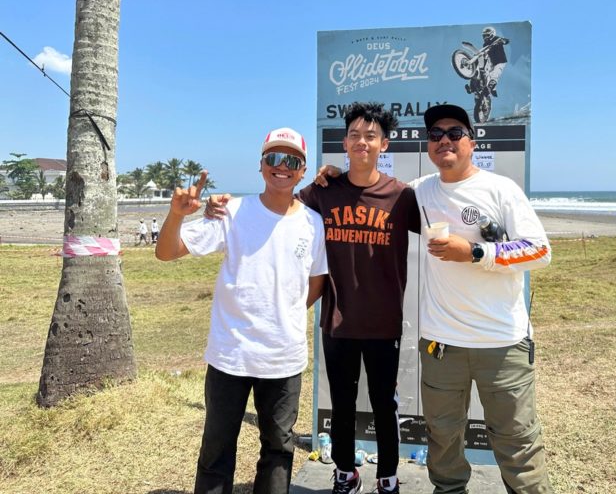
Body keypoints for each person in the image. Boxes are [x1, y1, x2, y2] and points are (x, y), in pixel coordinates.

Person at [205, 103, 420, 494]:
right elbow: (279, 203)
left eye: (371, 136)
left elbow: (440, 228)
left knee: (384, 404)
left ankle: (388, 477)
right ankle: (345, 473)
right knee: (341, 404)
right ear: (344, 143)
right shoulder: (322, 191)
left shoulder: (402, 196)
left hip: (384, 321)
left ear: (384, 144)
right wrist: (216, 207)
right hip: (337, 321)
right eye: (354, 135)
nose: (362, 142)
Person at [155, 127, 328, 494]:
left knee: (279, 449)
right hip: (230, 354)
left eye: (291, 160)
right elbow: (167, 252)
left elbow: (316, 282)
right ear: (261, 165)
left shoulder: (313, 224)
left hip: (283, 357)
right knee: (217, 449)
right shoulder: (232, 212)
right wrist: (175, 215)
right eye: (273, 158)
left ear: (302, 171)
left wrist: (285, 313)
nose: (282, 166)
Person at [412, 103, 553, 494]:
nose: (444, 140)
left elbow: (540, 251)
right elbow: (371, 191)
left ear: (472, 143)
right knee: (442, 441)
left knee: (518, 444)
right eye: (435, 134)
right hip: (441, 344)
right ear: (429, 145)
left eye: (454, 132)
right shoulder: (419, 191)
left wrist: (475, 253)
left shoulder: (501, 189)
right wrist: (331, 175)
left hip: (502, 343)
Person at [480, 26, 509, 97]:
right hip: (492, 62)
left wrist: (503, 41)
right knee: (487, 73)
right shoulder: (485, 44)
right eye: (484, 36)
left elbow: (506, 41)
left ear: (492, 34)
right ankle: (489, 88)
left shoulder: (496, 39)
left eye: (487, 35)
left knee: (496, 71)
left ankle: (490, 86)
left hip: (500, 60)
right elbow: (485, 54)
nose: (485, 37)